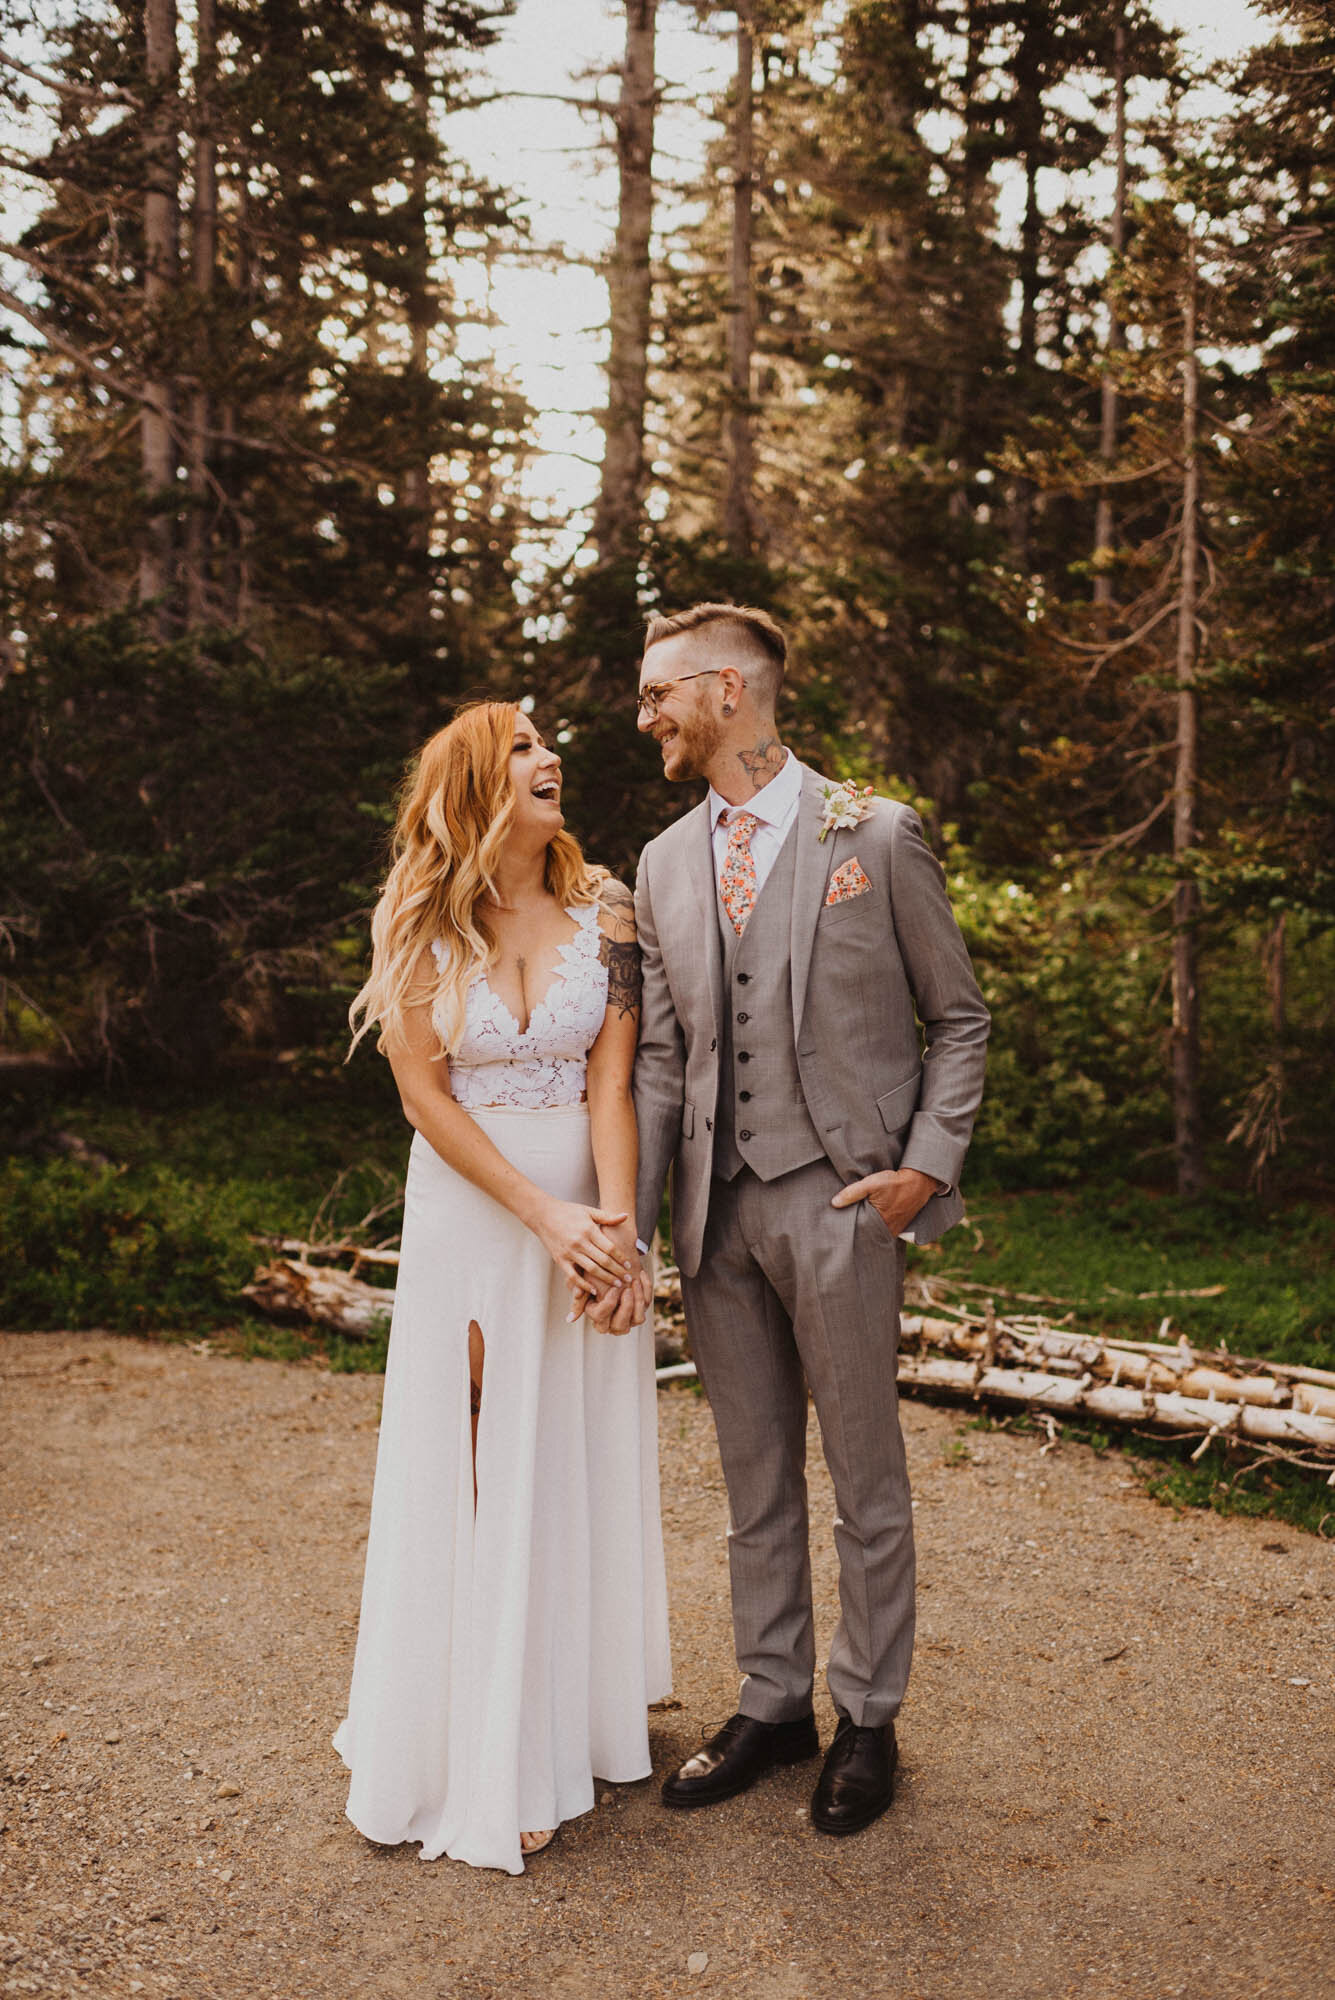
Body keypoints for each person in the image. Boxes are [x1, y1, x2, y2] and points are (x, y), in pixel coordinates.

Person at [631, 604, 989, 1836]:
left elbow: (962, 1017)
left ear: (726, 690)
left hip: (840, 1198)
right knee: (751, 1474)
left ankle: (868, 1713)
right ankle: (776, 1701)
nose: (646, 718)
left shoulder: (874, 834)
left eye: (658, 694)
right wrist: (635, 1223)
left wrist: (925, 1169)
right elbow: (665, 1060)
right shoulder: (663, 862)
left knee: (865, 1475)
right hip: (712, 1217)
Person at [333, 702, 671, 1875]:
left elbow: (612, 1084)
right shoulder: (417, 916)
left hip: (589, 1213)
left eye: (548, 742)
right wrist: (546, 1218)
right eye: (522, 746)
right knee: (480, 1460)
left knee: (564, 1452)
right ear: (476, 780)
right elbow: (426, 1099)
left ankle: (568, 1712)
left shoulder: (609, 907)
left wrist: (619, 1234)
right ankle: (481, 1744)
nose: (550, 757)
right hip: (479, 1219)